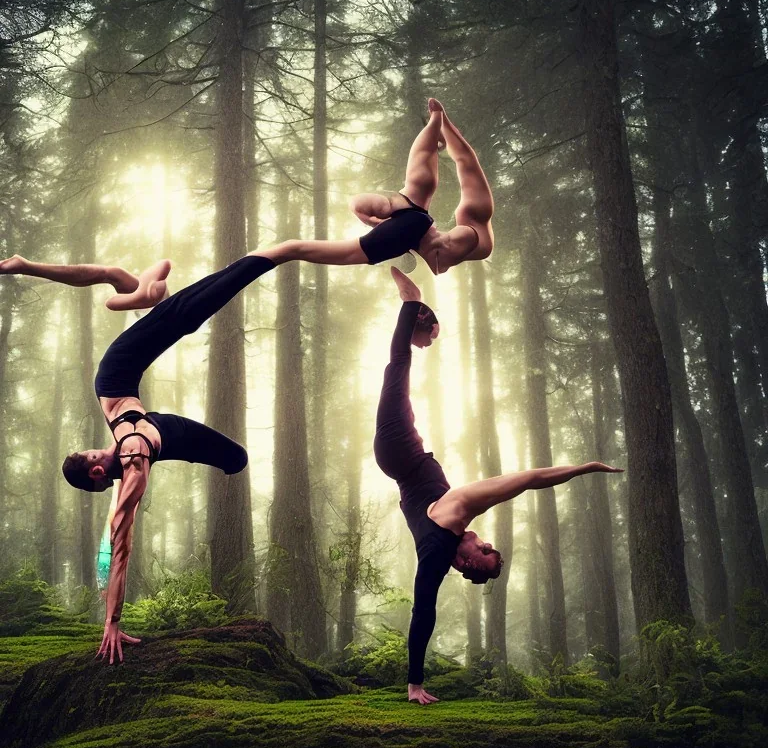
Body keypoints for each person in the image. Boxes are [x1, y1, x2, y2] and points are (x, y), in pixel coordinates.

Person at [377, 268, 622, 704]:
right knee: (402, 365)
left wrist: (415, 683)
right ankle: (419, 321)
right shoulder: (442, 539)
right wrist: (584, 468)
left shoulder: (453, 520)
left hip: (399, 450)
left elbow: (423, 615)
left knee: (398, 368)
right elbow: (527, 482)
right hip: (402, 455)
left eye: (476, 568)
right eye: (482, 562)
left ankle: (412, 302)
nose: (473, 565)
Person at [59, 254, 277, 663]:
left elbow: (115, 546)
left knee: (180, 316)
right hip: (163, 434)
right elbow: (119, 549)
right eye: (93, 455)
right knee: (237, 459)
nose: (96, 447)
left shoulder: (116, 419)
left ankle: (257, 261)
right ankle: (147, 289)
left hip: (118, 378)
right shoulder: (133, 465)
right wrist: (112, 622)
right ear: (97, 469)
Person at [257, 99, 495, 274]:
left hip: (433, 239)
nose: (435, 232)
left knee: (424, 194)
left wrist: (439, 122)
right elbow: (465, 159)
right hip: (421, 227)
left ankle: (436, 131)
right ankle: (436, 131)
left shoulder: (468, 230)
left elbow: (465, 159)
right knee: (421, 188)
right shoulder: (465, 213)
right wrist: (440, 123)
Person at [0, 254, 172, 311]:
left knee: (112, 274)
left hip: (170, 314)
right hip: (168, 308)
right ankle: (24, 266)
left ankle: (24, 266)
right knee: (112, 273)